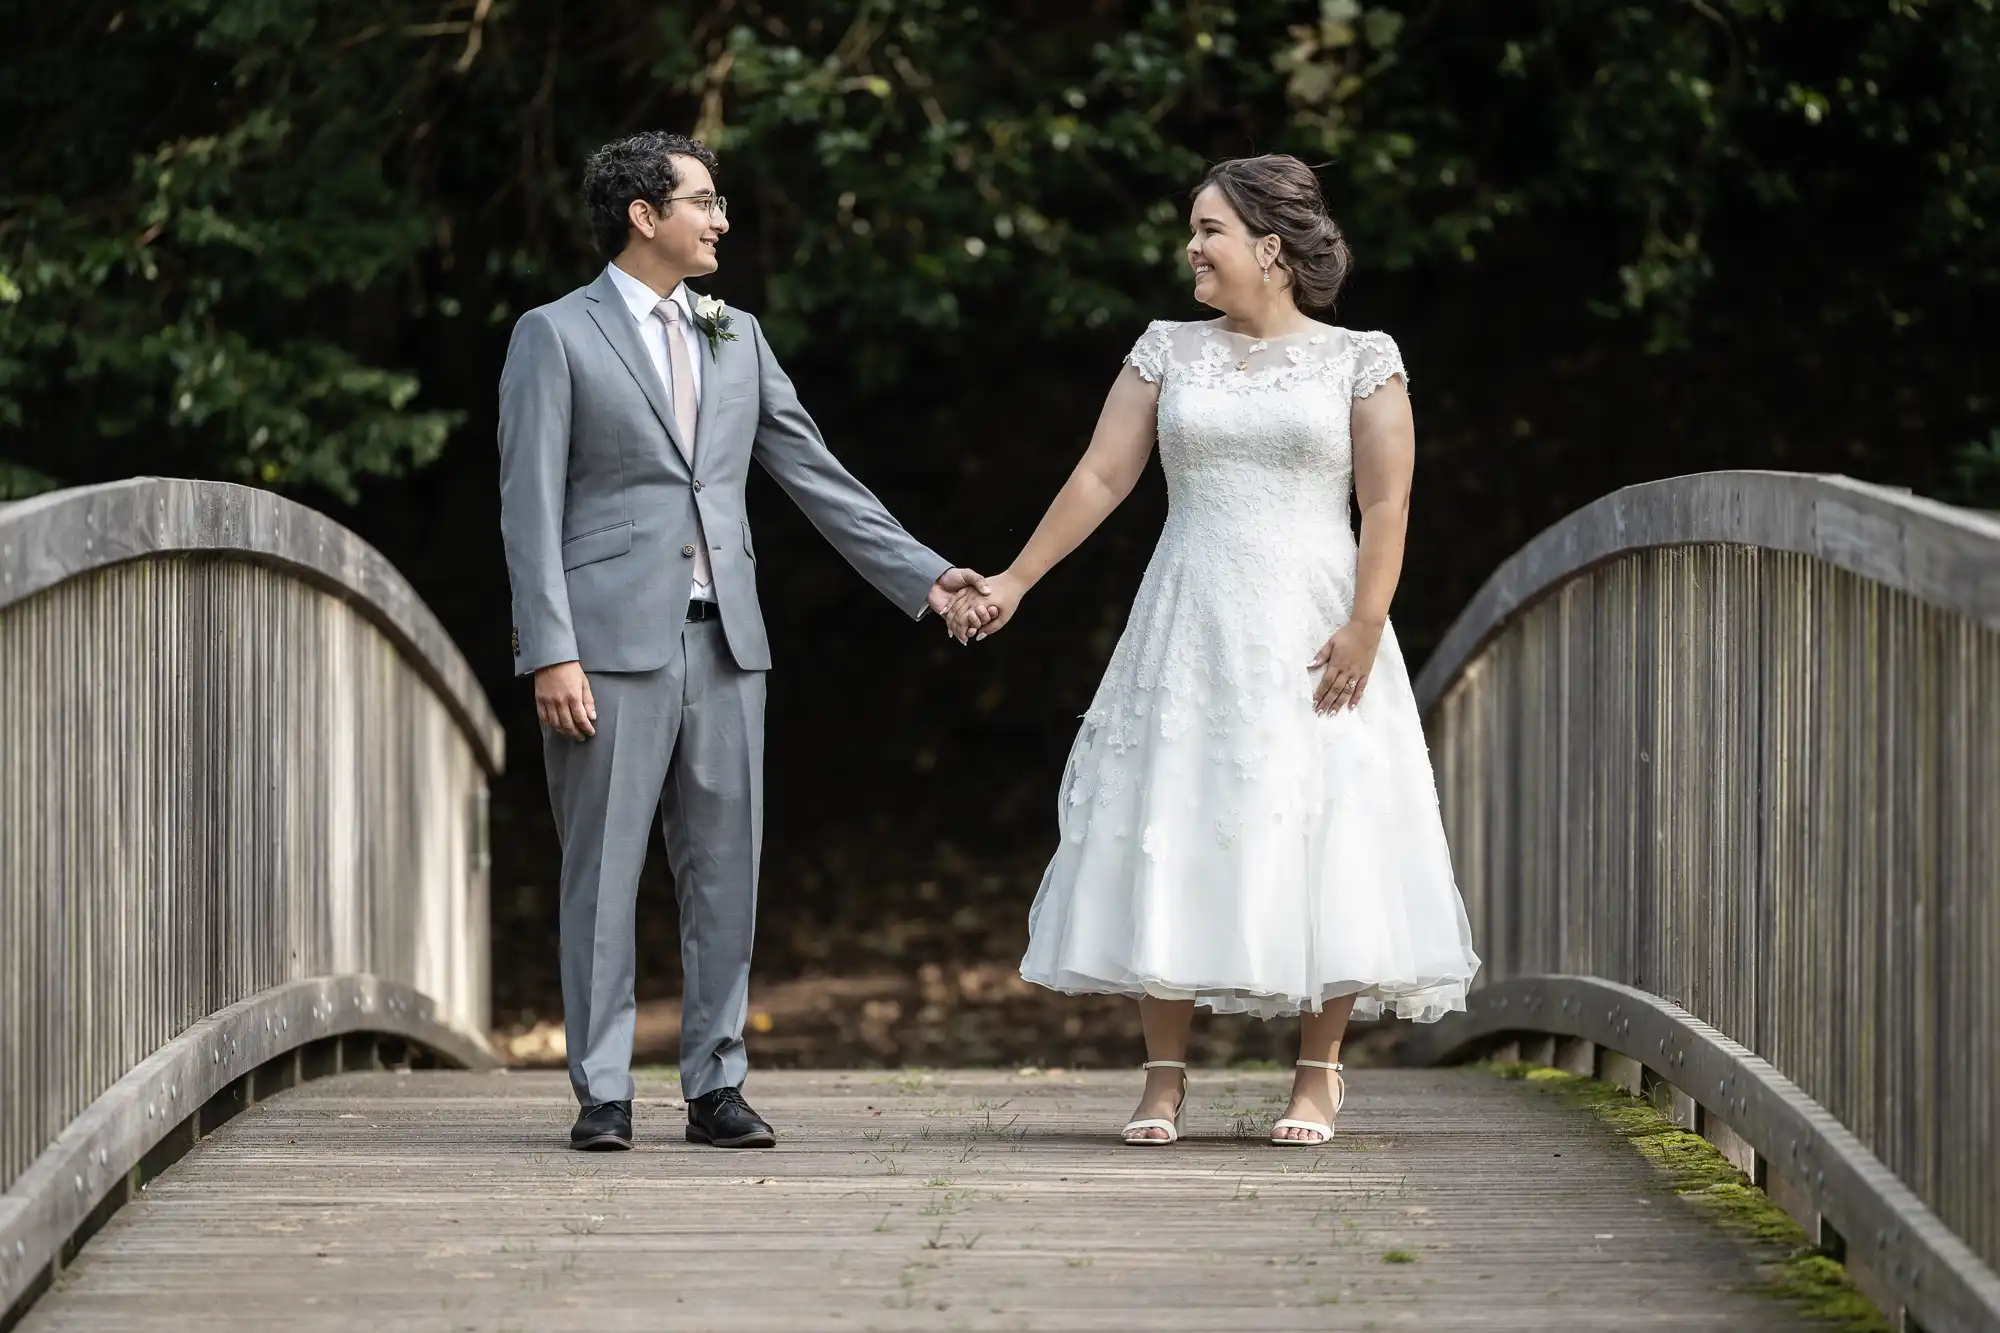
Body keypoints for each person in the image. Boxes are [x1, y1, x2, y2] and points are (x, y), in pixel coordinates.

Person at [948, 154, 1480, 1146]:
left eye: (1207, 231)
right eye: (1192, 230)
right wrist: (1015, 577)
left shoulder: (1359, 358)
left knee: (1327, 821)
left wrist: (1365, 623)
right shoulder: (1165, 351)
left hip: (1312, 619)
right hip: (1188, 617)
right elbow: (1102, 477)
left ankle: (1316, 1074)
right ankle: (1160, 1078)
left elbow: (1385, 501)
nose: (1189, 248)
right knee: (1173, 816)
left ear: (1268, 250)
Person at [498, 131, 988, 1152]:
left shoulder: (736, 334)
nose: (720, 219)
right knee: (602, 873)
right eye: (703, 202)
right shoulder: (554, 334)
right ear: (644, 215)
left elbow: (816, 476)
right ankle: (602, 1091)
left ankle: (715, 1083)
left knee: (727, 869)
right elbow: (527, 507)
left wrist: (925, 576)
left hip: (728, 645)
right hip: (603, 647)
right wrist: (548, 649)